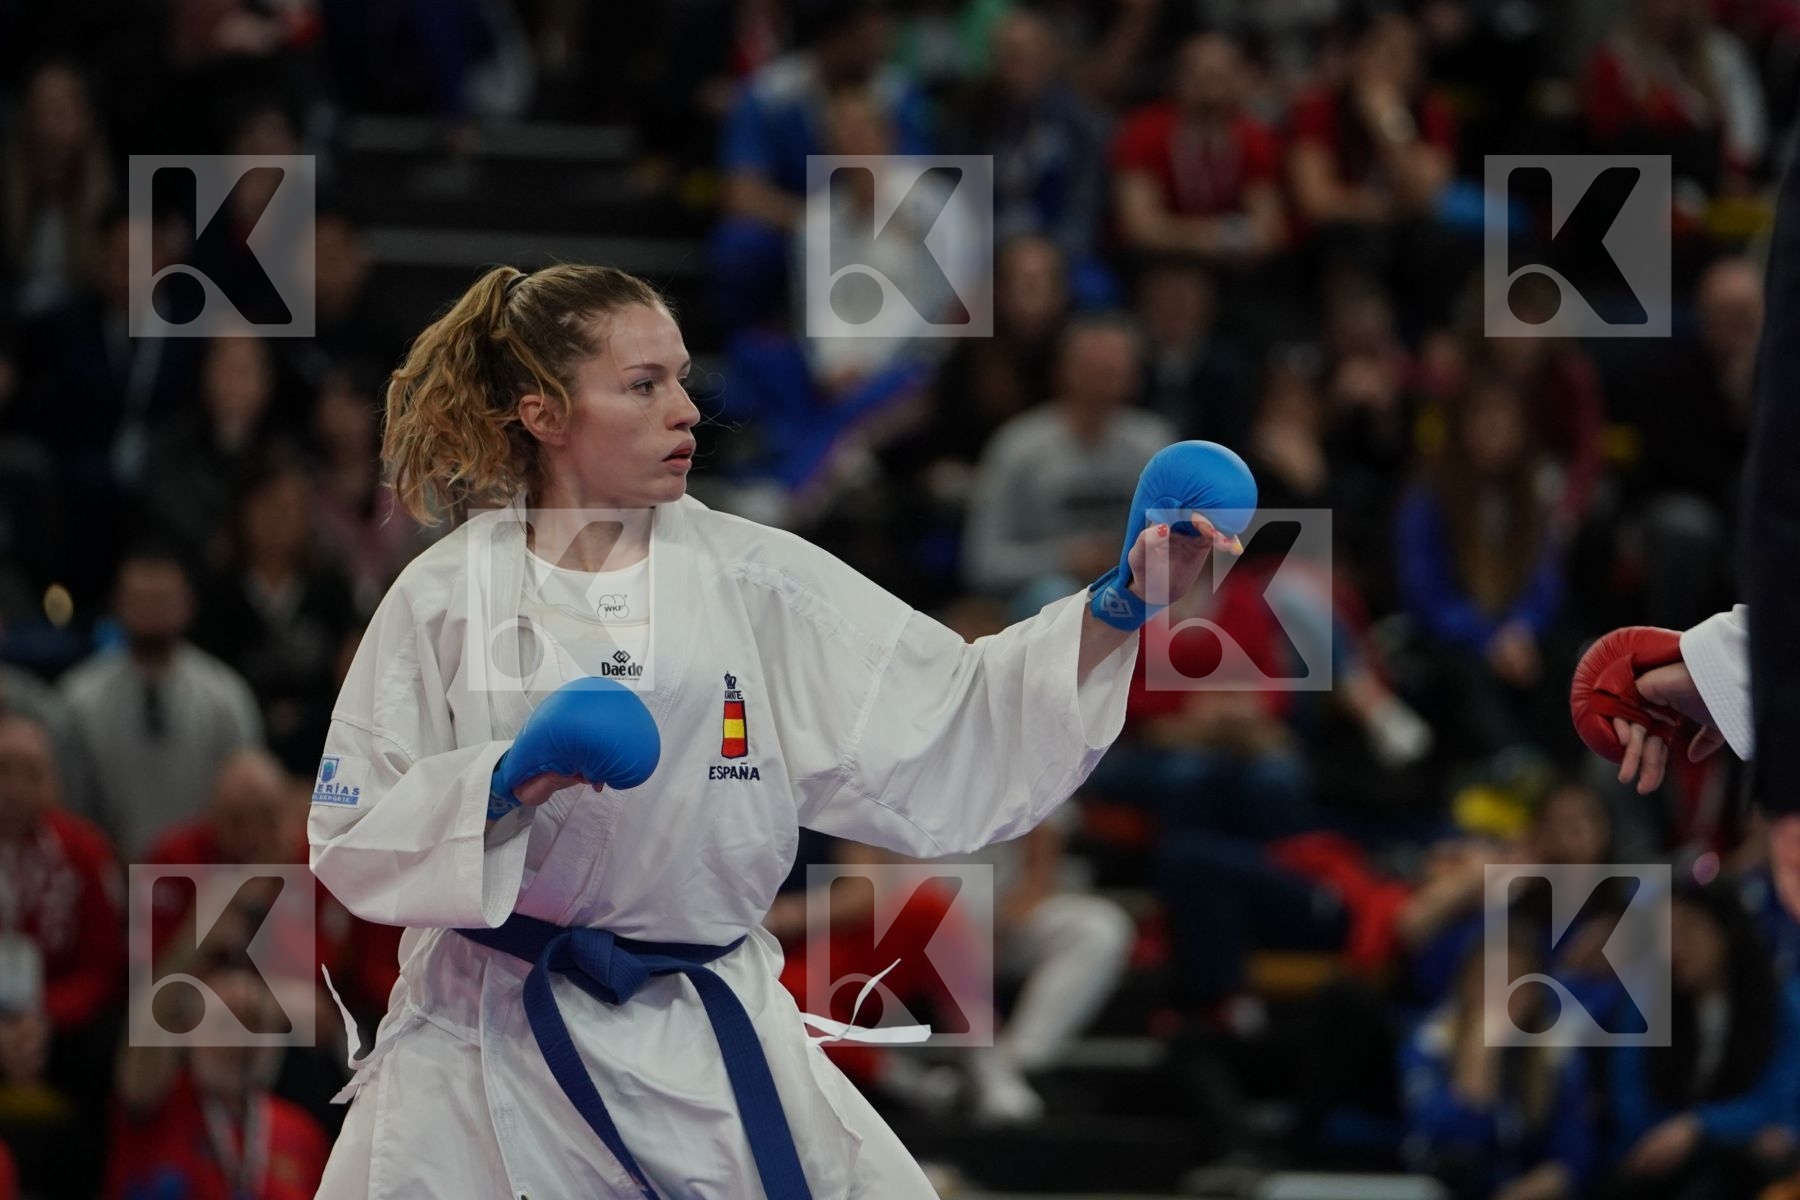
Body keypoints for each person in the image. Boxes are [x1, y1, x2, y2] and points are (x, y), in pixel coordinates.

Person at [307, 263, 1248, 1197]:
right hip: (485, 1043)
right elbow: (352, 835)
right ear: (545, 414)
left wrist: (1123, 604)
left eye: (679, 377)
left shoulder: (755, 578)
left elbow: (955, 711)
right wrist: (505, 782)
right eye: (642, 386)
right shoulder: (446, 596)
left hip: (702, 1029)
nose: (685, 409)